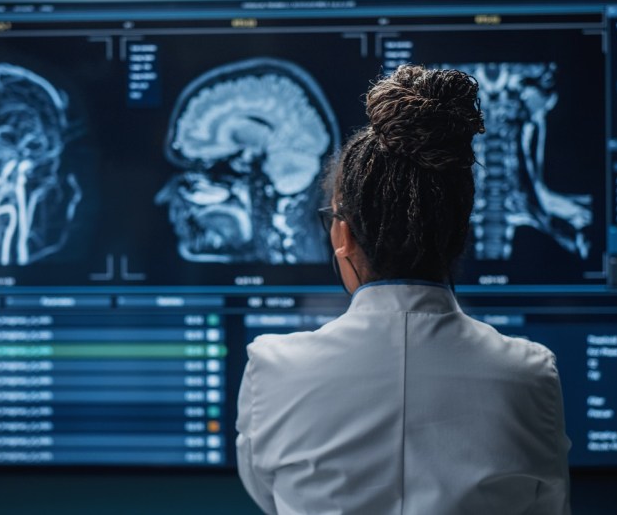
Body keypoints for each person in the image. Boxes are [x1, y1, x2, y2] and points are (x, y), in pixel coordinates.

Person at [236, 65, 571, 515]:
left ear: (342, 236)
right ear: (459, 231)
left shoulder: (273, 370)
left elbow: (270, 497)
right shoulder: (530, 376)